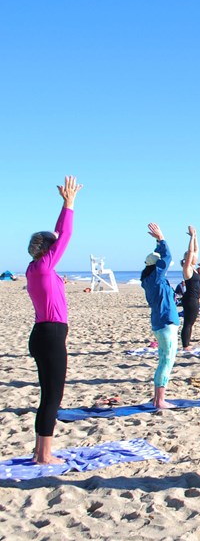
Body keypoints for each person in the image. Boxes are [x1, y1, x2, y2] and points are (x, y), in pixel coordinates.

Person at [26, 175, 83, 464]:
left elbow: (56, 240)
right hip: (49, 336)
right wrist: (69, 205)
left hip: (42, 335)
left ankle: (40, 451)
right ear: (48, 250)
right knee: (52, 397)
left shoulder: (32, 268)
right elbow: (65, 235)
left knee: (48, 394)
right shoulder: (45, 266)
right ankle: (45, 455)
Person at [141, 223, 180, 408]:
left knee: (164, 360)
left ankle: (158, 399)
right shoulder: (155, 279)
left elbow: (161, 259)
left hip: (161, 323)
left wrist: (157, 243)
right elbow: (167, 257)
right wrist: (162, 238)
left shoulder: (151, 279)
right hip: (165, 323)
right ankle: (160, 400)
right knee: (166, 361)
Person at [180, 226, 200, 350]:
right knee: (188, 322)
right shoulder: (187, 268)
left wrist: (195, 236)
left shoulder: (193, 267)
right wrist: (191, 237)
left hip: (194, 298)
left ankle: (187, 342)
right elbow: (191, 252)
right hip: (190, 299)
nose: (196, 257)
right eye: (193, 256)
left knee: (192, 322)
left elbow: (196, 250)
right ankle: (185, 345)